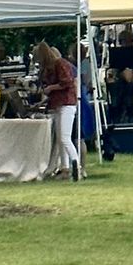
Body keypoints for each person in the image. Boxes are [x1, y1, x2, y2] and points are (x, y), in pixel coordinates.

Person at [36, 41, 79, 180]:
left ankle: (75, 164)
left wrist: (50, 88)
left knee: (65, 138)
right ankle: (65, 169)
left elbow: (67, 82)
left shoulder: (60, 64)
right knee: (61, 138)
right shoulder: (51, 67)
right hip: (59, 104)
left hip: (67, 103)